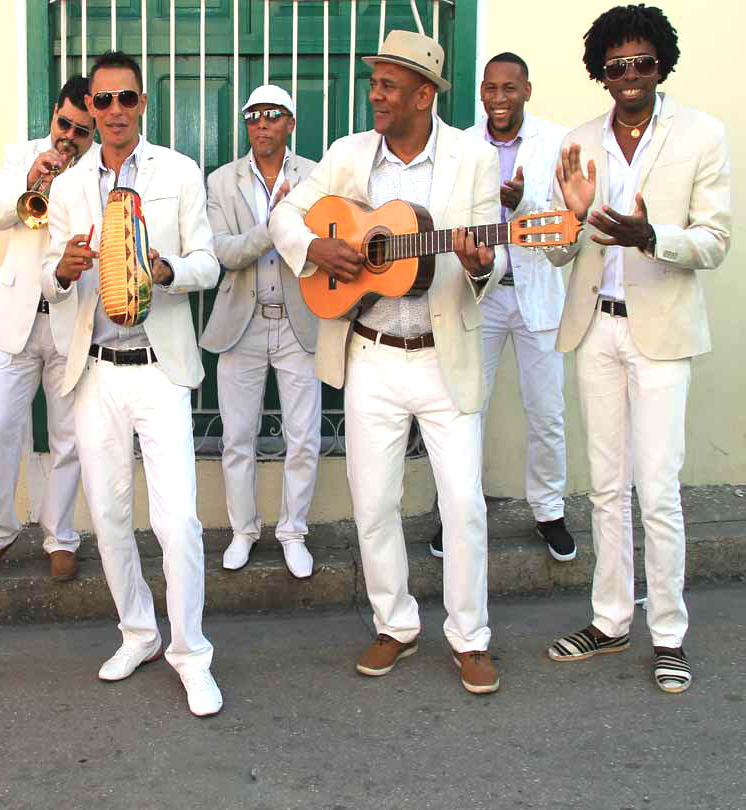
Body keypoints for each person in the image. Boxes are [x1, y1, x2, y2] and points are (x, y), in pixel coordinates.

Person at [270, 30, 507, 695]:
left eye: (389, 85)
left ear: (425, 94)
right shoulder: (349, 155)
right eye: (375, 82)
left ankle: (470, 637)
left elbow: (497, 245)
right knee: (374, 503)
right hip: (369, 353)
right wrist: (318, 249)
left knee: (462, 503)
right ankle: (394, 625)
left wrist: (486, 263)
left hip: (444, 358)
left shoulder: (471, 159)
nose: (375, 93)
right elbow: (287, 215)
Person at [545, 5, 731, 694]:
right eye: (615, 64)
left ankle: (670, 635)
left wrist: (652, 238)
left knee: (657, 489)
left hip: (661, 332)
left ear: (662, 63)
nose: (629, 75)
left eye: (642, 62)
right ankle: (610, 618)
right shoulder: (577, 140)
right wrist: (571, 213)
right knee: (604, 486)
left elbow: (713, 241)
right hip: (597, 327)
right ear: (601, 71)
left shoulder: (702, 134)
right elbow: (559, 250)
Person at [42, 51, 222, 716]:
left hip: (160, 368)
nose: (114, 111)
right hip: (95, 372)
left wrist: (165, 269)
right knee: (111, 517)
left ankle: (191, 653)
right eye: (103, 101)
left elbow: (208, 262)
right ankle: (138, 633)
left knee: (177, 522)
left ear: (142, 103)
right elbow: (47, 285)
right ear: (89, 107)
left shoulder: (178, 172)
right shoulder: (65, 188)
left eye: (126, 99)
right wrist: (61, 270)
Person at [428, 53, 576, 561]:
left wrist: (523, 204)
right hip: (479, 295)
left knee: (547, 411)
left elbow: (566, 227)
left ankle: (549, 511)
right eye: (490, 88)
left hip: (538, 295)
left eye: (509, 89)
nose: (497, 98)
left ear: (527, 91)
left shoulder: (557, 142)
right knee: (466, 408)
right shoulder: (464, 147)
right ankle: (458, 513)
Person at [0, 76, 94, 588]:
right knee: (1, 431)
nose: (70, 138)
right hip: (18, 315)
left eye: (82, 132)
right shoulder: (20, 155)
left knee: (68, 437)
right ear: (54, 115)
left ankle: (60, 536)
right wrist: (31, 179)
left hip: (69, 316)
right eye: (64, 124)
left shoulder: (95, 174)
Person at [202, 84, 320, 578]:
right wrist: (274, 227)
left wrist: (290, 230)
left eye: (273, 115)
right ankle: (244, 531)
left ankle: (293, 531)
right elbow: (224, 253)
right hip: (242, 324)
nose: (262, 124)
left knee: (303, 438)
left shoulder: (315, 176)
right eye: (253, 116)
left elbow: (324, 240)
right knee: (238, 438)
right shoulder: (222, 181)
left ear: (290, 122)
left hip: (299, 322)